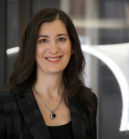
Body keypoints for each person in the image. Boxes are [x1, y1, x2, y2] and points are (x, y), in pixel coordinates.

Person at [0, 8, 97, 139]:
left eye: (61, 39)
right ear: (31, 48)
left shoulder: (86, 100)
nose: (54, 49)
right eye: (43, 40)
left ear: (72, 46)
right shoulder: (5, 102)